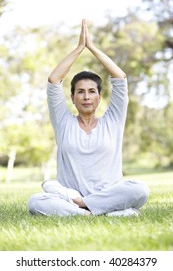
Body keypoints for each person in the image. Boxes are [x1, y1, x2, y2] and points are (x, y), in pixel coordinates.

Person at [28, 19, 149, 217]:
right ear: (73, 98)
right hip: (71, 195)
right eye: (80, 92)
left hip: (100, 195)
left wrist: (91, 47)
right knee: (35, 201)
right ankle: (97, 213)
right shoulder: (63, 122)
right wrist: (78, 49)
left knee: (140, 189)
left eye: (92, 91)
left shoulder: (113, 121)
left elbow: (120, 78)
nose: (86, 96)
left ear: (99, 97)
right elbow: (53, 80)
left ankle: (83, 205)